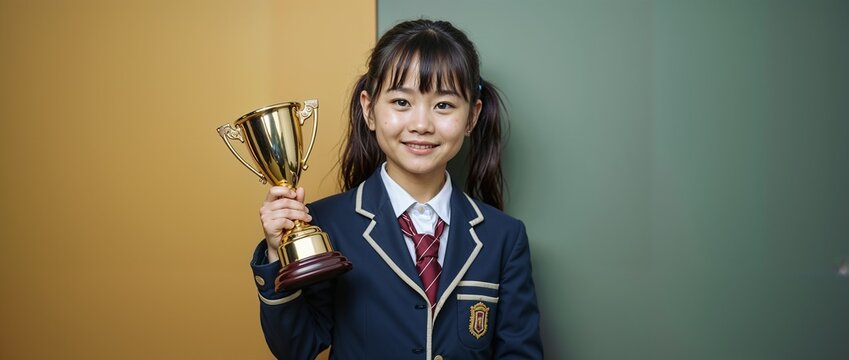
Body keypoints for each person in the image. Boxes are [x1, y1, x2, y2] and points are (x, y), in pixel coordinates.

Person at [249, 19, 543, 359]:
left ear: (472, 117)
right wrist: (276, 253)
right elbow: (296, 347)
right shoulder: (325, 223)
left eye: (443, 105)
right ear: (369, 109)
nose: (421, 125)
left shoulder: (504, 237)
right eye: (401, 102)